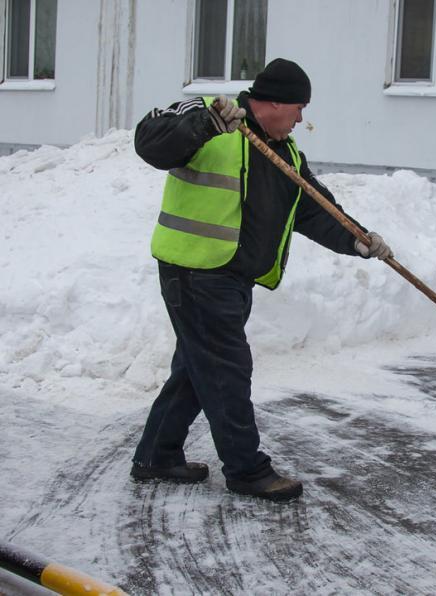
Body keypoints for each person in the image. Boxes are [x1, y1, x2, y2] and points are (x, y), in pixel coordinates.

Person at [129, 58, 391, 502]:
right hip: (195, 272)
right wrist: (207, 123)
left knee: (197, 370)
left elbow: (313, 207)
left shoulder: (284, 153)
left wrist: (358, 239)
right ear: (272, 103)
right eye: (299, 107)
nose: (302, 118)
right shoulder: (214, 118)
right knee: (227, 371)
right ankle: (247, 470)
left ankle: (157, 455)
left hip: (232, 277)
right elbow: (149, 140)